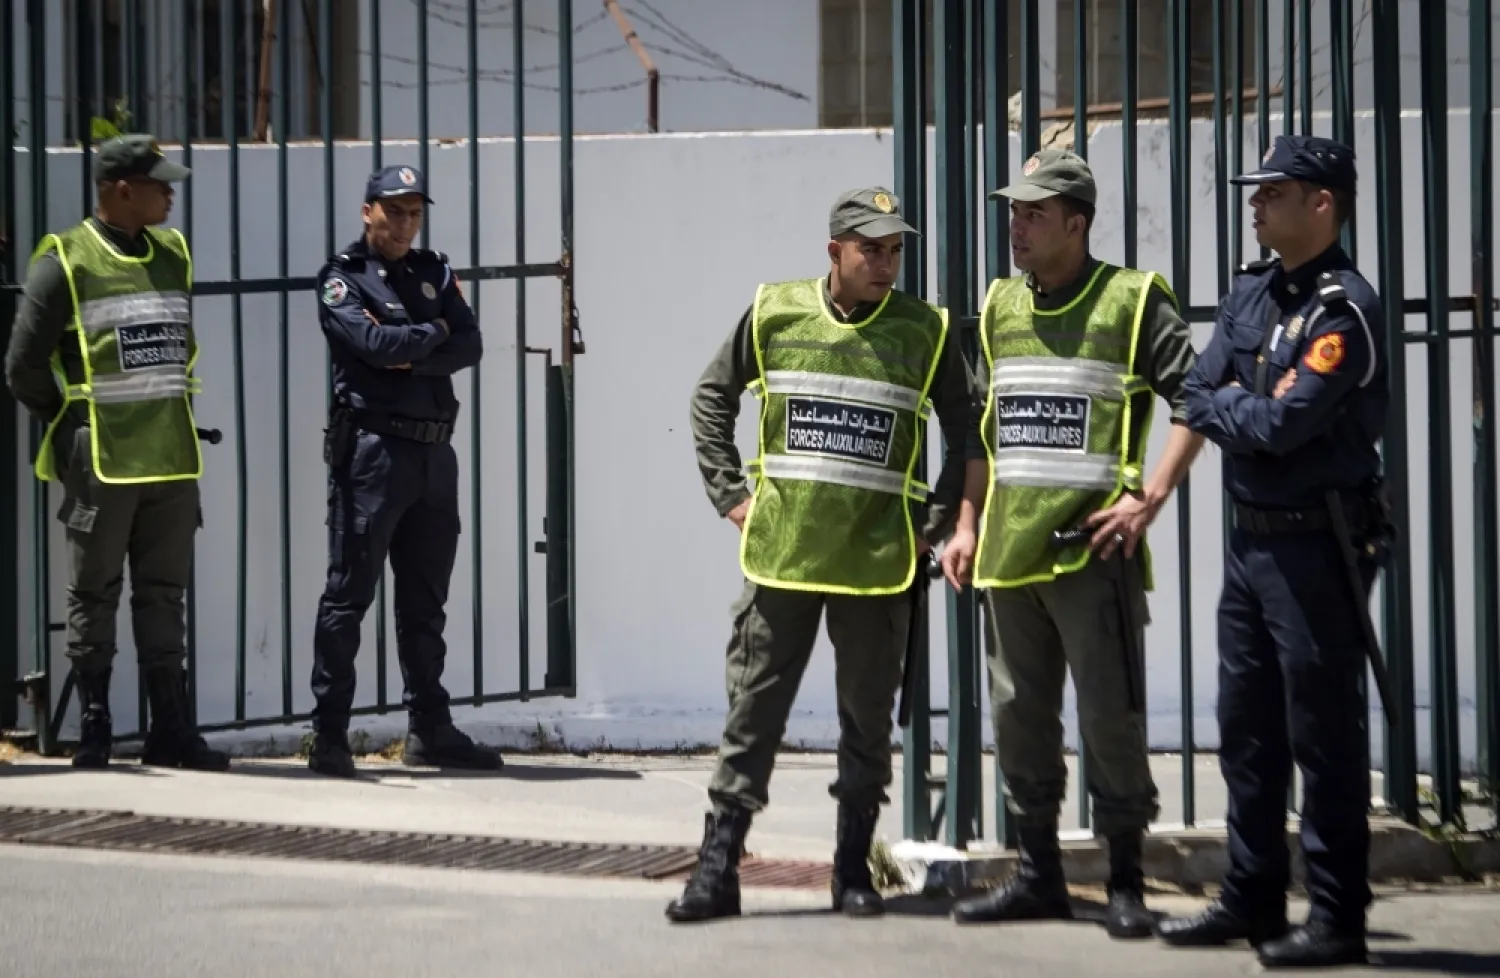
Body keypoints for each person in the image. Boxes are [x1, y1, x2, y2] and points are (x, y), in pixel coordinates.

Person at [666, 187, 983, 923]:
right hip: (784, 556)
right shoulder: (776, 309)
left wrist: (932, 524)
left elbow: (967, 431)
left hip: (879, 563)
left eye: (896, 249)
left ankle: (852, 871)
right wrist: (730, 495)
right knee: (753, 716)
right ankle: (717, 870)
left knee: (867, 724)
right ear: (834, 251)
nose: (885, 263)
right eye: (870, 248)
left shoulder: (924, 329)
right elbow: (712, 395)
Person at [939, 149, 1203, 939]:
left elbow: (1197, 397)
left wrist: (1149, 495)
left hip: (1093, 555)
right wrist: (964, 523)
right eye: (1013, 211)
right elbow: (983, 432)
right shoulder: (998, 307)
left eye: (1034, 213)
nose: (1015, 225)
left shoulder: (1130, 301)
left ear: (1077, 223)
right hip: (1009, 555)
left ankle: (1125, 880)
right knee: (1019, 719)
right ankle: (1039, 876)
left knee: (1109, 721)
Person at [1155, 134, 1388, 969]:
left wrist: (1232, 409)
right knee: (1246, 732)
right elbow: (1193, 386)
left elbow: (1283, 426)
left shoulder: (1344, 310)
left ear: (1321, 204)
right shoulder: (1254, 291)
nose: (1256, 203)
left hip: (1316, 551)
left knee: (1322, 736)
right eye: (1257, 193)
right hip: (1250, 545)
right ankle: (1250, 897)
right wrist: (1236, 408)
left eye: (1274, 192)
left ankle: (1336, 917)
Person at [3, 133, 228, 771]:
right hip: (101, 460)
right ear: (121, 190)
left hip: (172, 457)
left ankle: (173, 731)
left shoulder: (173, 253)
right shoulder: (65, 260)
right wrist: (70, 420)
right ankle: (95, 728)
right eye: (160, 183)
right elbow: (22, 367)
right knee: (93, 594)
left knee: (164, 594)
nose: (171, 193)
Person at [308, 164, 500, 778]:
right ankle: (330, 735)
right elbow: (372, 347)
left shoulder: (433, 271)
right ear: (368, 211)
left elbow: (467, 345)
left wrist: (413, 345)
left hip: (432, 456)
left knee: (426, 602)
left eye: (415, 212)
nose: (405, 223)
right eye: (394, 211)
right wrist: (430, 337)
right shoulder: (343, 278)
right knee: (349, 596)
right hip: (372, 454)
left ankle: (430, 730)